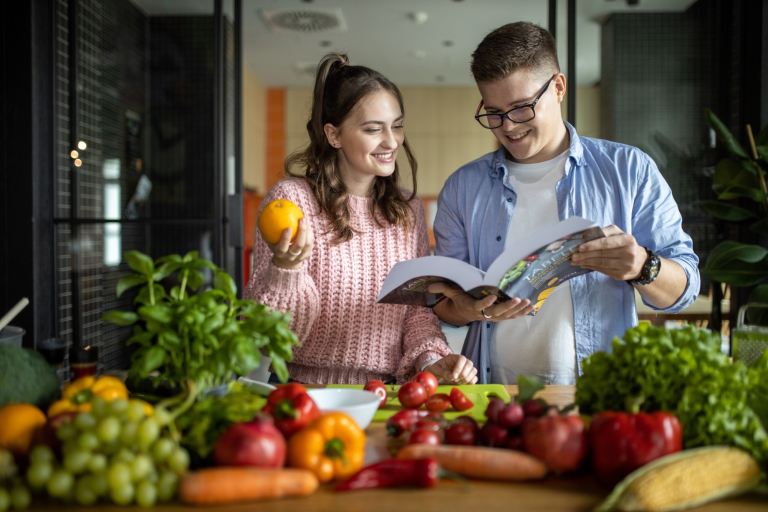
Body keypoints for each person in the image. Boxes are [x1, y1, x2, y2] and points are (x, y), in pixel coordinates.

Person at [428, 22, 699, 385]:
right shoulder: (462, 188)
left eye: (521, 108)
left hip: (596, 396)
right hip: (492, 398)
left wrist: (643, 266)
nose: (508, 127)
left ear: (558, 87)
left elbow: (685, 289)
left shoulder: (629, 170)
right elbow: (445, 310)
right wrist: (463, 307)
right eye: (493, 114)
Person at [245, 53, 477, 385]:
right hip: (301, 392)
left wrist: (432, 360)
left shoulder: (407, 209)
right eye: (373, 129)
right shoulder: (292, 200)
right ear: (334, 135)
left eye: (397, 126)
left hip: (384, 394)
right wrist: (285, 271)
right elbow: (268, 334)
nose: (392, 141)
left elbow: (414, 313)